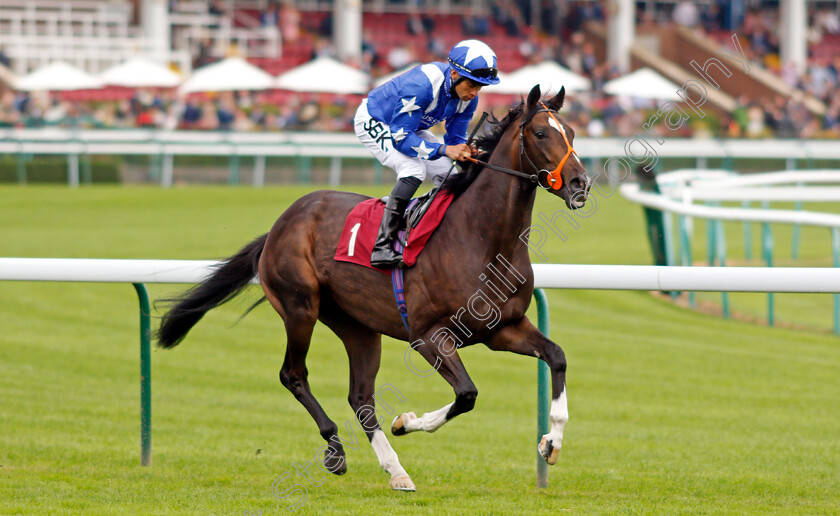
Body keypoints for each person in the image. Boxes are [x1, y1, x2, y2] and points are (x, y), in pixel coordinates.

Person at [354, 39, 500, 268]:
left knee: (448, 174)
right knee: (413, 169)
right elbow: (401, 139)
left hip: (410, 128)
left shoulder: (467, 99)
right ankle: (382, 246)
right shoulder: (422, 85)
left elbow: (455, 141)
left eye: (480, 87)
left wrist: (467, 153)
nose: (474, 93)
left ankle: (432, 231)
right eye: (471, 85)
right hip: (376, 120)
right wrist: (444, 149)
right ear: (454, 74)